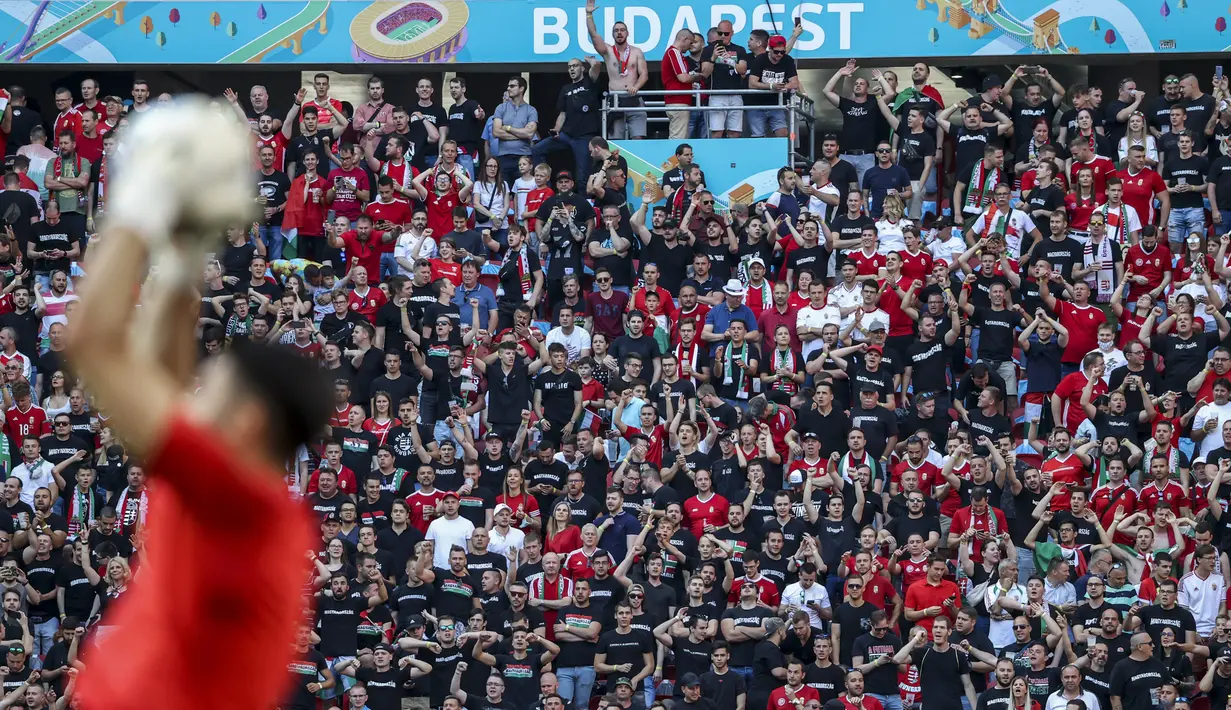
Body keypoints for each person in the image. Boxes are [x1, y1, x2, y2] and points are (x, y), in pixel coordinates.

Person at [70, 104, 332, 710]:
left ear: (249, 421)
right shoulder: (243, 494)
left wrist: (139, 203)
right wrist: (184, 252)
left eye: (212, 384)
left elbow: (91, 341)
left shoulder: (234, 499)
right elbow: (162, 367)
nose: (193, 387)